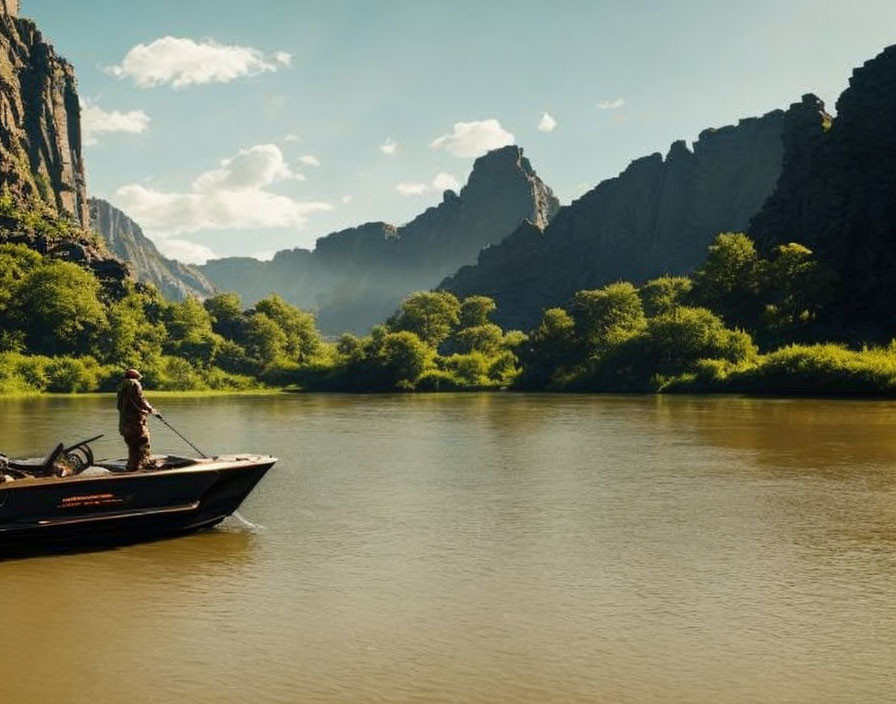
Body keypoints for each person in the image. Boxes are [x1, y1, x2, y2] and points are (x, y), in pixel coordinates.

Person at [117, 368, 158, 471]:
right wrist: (151, 410)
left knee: (133, 448)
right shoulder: (135, 383)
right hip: (135, 424)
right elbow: (140, 400)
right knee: (143, 443)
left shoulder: (121, 387)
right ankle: (141, 468)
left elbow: (123, 406)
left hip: (124, 425)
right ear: (136, 377)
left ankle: (132, 468)